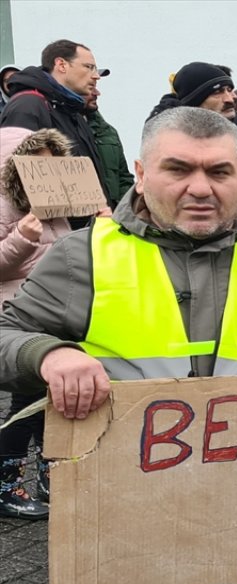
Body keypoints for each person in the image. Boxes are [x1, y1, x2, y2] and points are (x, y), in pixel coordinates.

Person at [0, 106, 237, 584]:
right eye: (178, 169)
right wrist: (48, 354)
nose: (200, 188)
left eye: (218, 171)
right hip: (120, 523)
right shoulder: (83, 256)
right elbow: (6, 334)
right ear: (141, 174)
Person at [0, 127, 79, 519]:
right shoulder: (5, 206)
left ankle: (50, 477)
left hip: (52, 313)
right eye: (38, 163)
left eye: (53, 161)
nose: (47, 170)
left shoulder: (54, 205)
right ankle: (5, 486)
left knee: (52, 402)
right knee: (27, 403)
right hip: (18, 315)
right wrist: (21, 237)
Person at [148, 63, 237, 215]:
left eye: (229, 90)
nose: (230, 99)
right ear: (195, 101)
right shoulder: (171, 141)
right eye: (218, 92)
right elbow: (198, 204)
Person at [0, 40, 110, 207]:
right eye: (89, 67)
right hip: (51, 223)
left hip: (87, 220)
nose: (96, 76)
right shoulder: (28, 106)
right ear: (61, 65)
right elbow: (13, 182)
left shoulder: (72, 110)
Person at [84, 88, 134, 206]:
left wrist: (124, 211)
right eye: (89, 87)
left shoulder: (108, 132)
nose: (97, 93)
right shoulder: (60, 128)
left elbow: (124, 178)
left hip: (112, 213)